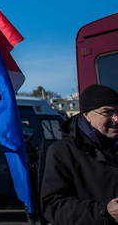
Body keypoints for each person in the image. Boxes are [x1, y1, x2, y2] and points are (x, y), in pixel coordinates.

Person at [41, 84, 118, 225]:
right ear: (87, 115)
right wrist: (104, 212)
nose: (116, 119)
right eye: (107, 112)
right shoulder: (62, 151)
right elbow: (53, 206)